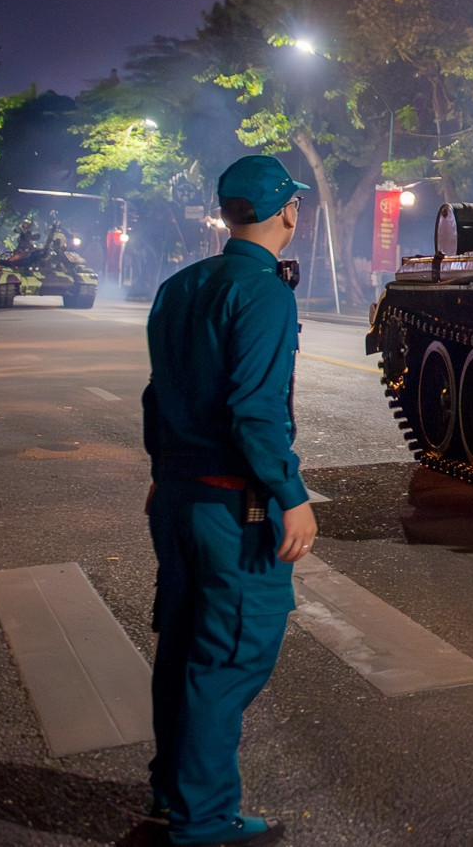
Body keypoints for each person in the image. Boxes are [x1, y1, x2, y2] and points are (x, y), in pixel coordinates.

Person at [143, 155, 316, 846]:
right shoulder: (265, 293)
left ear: (226, 212)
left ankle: (172, 793)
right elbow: (255, 410)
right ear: (287, 213)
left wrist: (162, 469)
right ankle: (205, 819)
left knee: (182, 647)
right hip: (233, 507)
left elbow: (157, 394)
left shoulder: (178, 286)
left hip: (176, 496)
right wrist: (291, 495)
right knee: (227, 657)